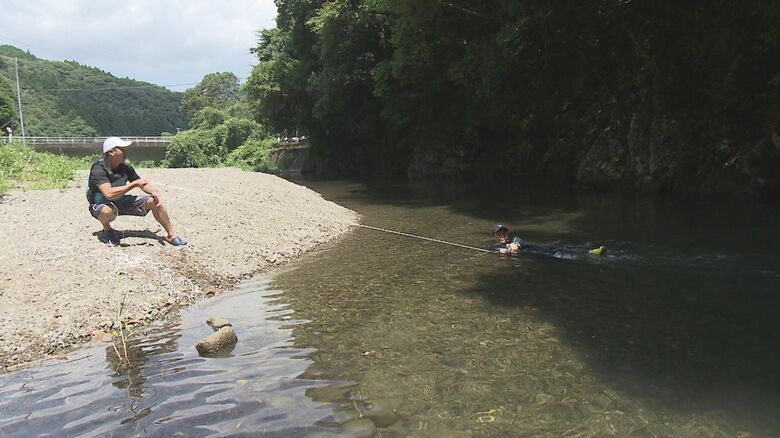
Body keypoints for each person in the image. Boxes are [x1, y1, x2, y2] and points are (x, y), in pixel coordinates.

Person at [86, 136, 187, 246]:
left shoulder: (125, 167)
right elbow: (108, 194)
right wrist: (133, 185)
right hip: (101, 204)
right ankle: (108, 229)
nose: (126, 152)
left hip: (121, 201)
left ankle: (171, 235)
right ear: (111, 152)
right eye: (122, 149)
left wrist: (153, 192)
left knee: (155, 201)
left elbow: (141, 183)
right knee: (107, 212)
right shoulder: (98, 169)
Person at [488, 223, 604, 258]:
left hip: (532, 247)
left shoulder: (514, 239)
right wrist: (506, 250)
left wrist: (516, 244)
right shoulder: (494, 246)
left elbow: (520, 242)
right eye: (499, 234)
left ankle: (588, 248)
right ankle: (590, 253)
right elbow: (497, 251)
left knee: (560, 247)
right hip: (530, 253)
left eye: (504, 233)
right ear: (494, 236)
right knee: (554, 252)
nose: (502, 235)